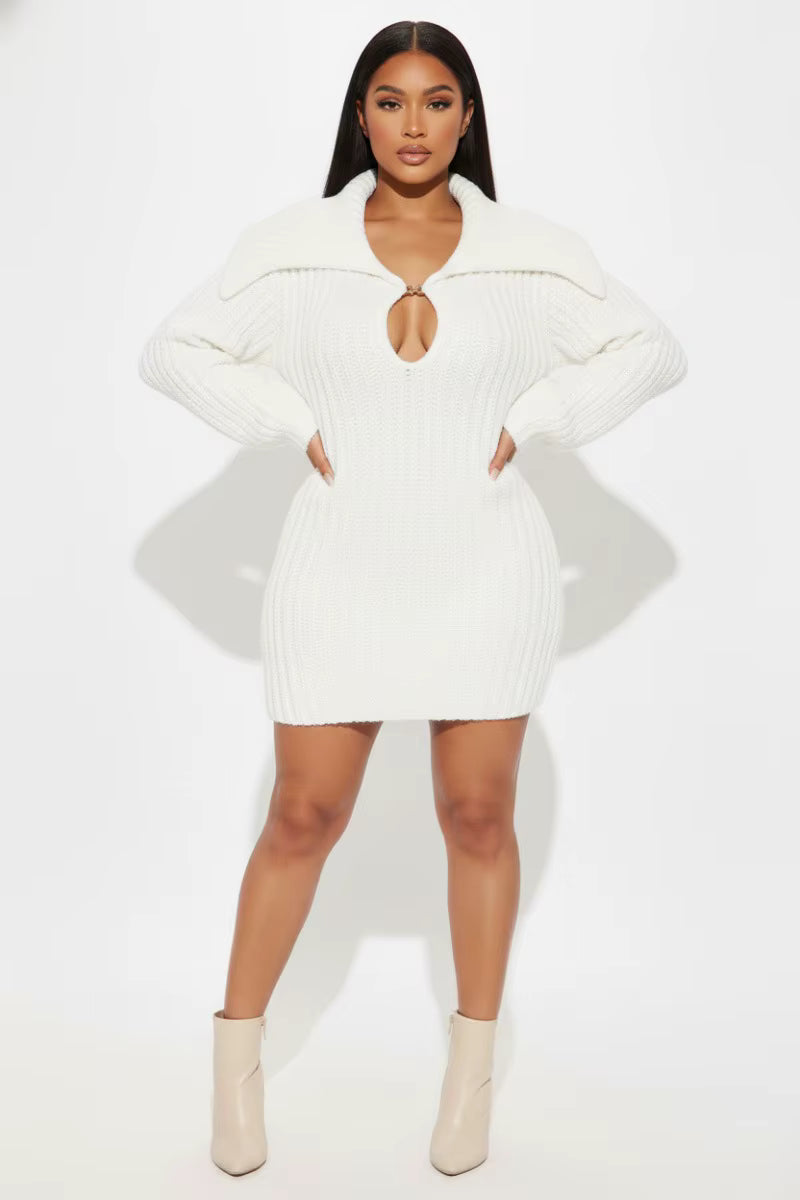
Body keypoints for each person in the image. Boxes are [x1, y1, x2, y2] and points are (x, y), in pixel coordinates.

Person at [137, 19, 688, 1179]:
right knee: (302, 816)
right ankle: (234, 1072)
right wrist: (286, 422)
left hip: (486, 568)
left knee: (477, 818)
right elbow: (175, 348)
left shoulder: (528, 256)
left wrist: (537, 419)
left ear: (466, 117)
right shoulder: (293, 253)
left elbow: (648, 347)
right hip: (335, 567)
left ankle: (467, 1083)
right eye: (389, 101)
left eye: (437, 101)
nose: (413, 125)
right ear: (360, 115)